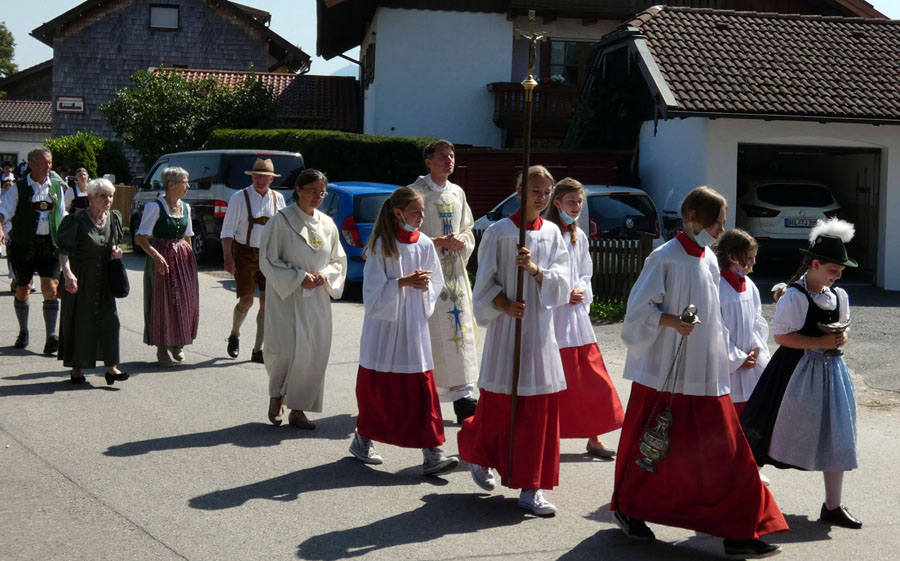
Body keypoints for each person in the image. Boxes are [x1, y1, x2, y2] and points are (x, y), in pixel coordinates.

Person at [612, 186, 787, 560]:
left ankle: (740, 529)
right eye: (716, 223)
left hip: (709, 376)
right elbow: (637, 314)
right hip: (667, 376)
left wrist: (731, 356)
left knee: (729, 455)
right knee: (653, 449)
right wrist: (670, 319)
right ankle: (629, 507)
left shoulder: (709, 258)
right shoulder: (664, 258)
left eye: (723, 223)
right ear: (692, 218)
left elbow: (717, 319)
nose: (720, 230)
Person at [457, 165, 571, 516]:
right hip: (509, 328)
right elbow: (484, 282)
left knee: (538, 412)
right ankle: (480, 456)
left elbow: (564, 282)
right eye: (535, 190)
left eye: (546, 191)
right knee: (500, 405)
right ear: (519, 191)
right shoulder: (500, 232)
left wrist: (536, 271)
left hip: (539, 329)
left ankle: (531, 486)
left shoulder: (553, 233)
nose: (541, 197)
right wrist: (504, 303)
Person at [740, 218, 861, 530]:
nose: (837, 276)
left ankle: (832, 505)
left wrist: (839, 338)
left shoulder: (839, 297)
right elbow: (782, 338)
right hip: (794, 373)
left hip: (830, 372)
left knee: (837, 434)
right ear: (816, 264)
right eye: (833, 270)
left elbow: (843, 330)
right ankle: (744, 497)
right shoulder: (795, 296)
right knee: (767, 429)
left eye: (840, 272)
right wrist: (820, 341)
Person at [349, 186, 458, 476]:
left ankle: (433, 452)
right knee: (379, 390)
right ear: (398, 213)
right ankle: (363, 439)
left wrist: (422, 287)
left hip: (413, 326)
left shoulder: (423, 243)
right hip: (385, 328)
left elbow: (435, 284)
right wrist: (402, 282)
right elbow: (372, 293)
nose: (421, 217)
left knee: (422, 389)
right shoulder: (381, 244)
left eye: (423, 212)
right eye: (415, 212)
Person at [259, 169, 346, 429]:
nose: (318, 197)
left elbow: (338, 260)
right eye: (312, 191)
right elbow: (269, 261)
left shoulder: (327, 224)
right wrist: (298, 277)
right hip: (287, 296)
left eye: (322, 192)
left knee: (312, 353)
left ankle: (299, 409)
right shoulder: (280, 222)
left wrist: (325, 276)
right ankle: (277, 396)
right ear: (298, 190)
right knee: (286, 350)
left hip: (316, 298)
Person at [544, 178, 624, 458]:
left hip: (576, 318)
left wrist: (580, 291)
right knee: (553, 380)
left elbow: (586, 274)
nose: (576, 207)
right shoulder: (547, 234)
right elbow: (541, 275)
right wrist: (563, 293)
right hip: (553, 316)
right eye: (571, 201)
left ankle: (594, 436)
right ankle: (545, 435)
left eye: (579, 202)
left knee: (590, 378)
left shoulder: (581, 237)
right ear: (557, 203)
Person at [407, 140, 480, 423]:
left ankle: (464, 399)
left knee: (461, 333)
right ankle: (426, 398)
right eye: (442, 157)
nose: (449, 161)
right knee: (433, 337)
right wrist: (436, 242)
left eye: (451, 156)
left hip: (455, 276)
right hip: (427, 277)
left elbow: (469, 228)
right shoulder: (415, 192)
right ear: (428, 162)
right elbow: (403, 232)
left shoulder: (457, 193)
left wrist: (463, 240)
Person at [57, 178, 129, 385]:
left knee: (110, 321)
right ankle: (77, 368)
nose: (108, 200)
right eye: (102, 196)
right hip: (80, 277)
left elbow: (114, 243)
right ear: (90, 198)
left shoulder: (114, 218)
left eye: (110, 196)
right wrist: (68, 274)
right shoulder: (76, 220)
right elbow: (63, 250)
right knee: (80, 321)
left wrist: (117, 254)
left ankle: (111, 368)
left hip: (104, 278)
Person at [714, 229, 772, 486]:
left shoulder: (750, 287)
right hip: (727, 368)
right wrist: (736, 357)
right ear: (733, 256)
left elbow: (758, 322)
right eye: (749, 257)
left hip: (749, 366)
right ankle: (725, 472)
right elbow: (715, 330)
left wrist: (756, 350)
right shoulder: (717, 287)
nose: (753, 263)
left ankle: (749, 468)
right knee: (727, 423)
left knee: (751, 420)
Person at [0, 147, 66, 353]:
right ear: (31, 164)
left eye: (50, 162)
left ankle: (51, 337)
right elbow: (4, 211)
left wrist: (69, 238)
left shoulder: (56, 188)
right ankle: (24, 332)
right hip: (23, 245)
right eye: (44, 163)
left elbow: (62, 215)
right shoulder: (19, 188)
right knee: (23, 289)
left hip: (49, 244)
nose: (49, 167)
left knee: (51, 288)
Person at [221, 158, 287, 363]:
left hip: (269, 256)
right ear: (252, 177)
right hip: (244, 254)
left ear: (271, 179)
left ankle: (258, 349)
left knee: (267, 303)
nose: (260, 180)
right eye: (257, 176)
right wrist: (228, 258)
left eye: (265, 177)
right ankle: (234, 334)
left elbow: (283, 231)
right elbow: (227, 231)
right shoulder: (239, 198)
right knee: (246, 301)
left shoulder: (278, 199)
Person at [135, 167, 199, 367]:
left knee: (185, 301)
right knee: (163, 302)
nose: (188, 186)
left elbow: (188, 235)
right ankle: (162, 348)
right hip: (161, 258)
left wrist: (190, 260)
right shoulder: (155, 207)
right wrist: (156, 256)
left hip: (182, 259)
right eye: (184, 182)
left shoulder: (185, 208)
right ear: (171, 185)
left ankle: (177, 343)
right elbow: (140, 237)